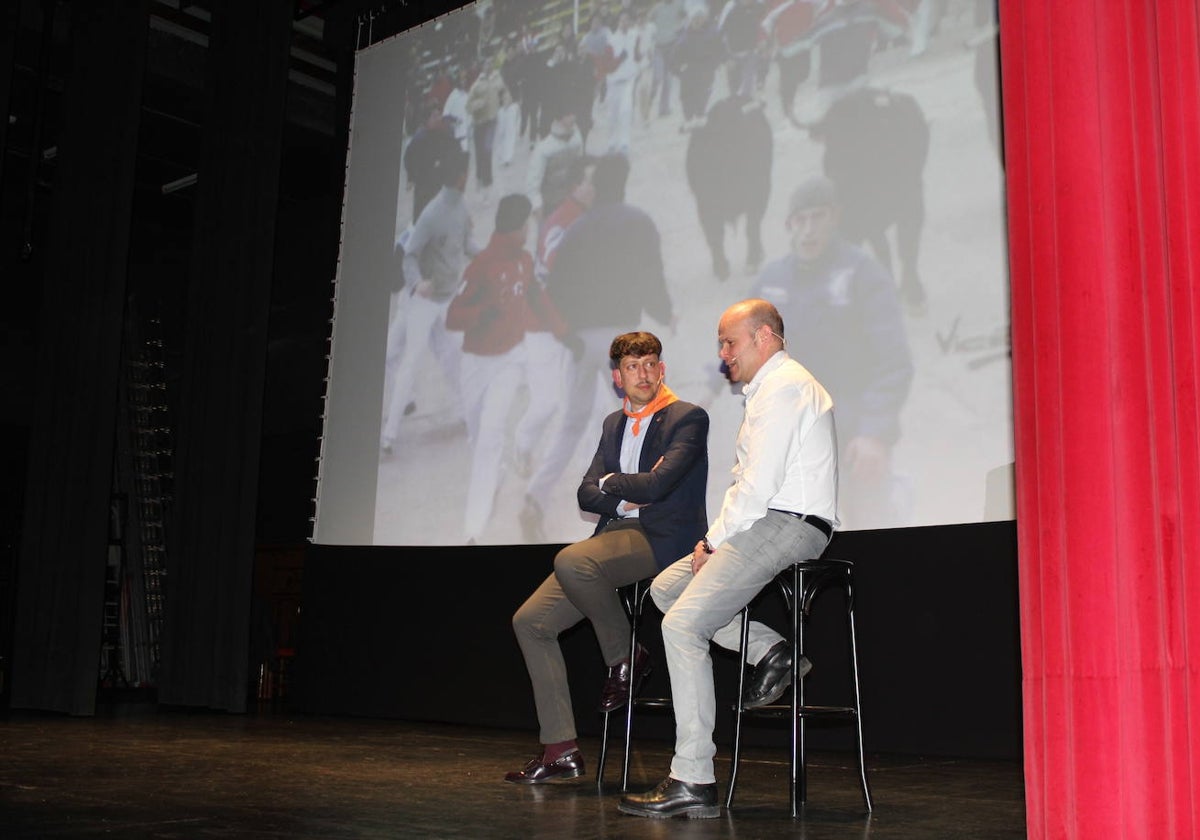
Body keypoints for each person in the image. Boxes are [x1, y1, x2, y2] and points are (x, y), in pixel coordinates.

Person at [618, 299, 837, 819]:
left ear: (763, 337)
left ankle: (692, 778)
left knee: (682, 628)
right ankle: (772, 651)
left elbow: (757, 488)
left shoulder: (785, 387)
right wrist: (713, 542)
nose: (722, 354)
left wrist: (713, 541)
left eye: (729, 342)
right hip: (768, 521)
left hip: (788, 523)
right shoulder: (770, 389)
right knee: (666, 590)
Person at [507, 331, 709, 784]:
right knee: (531, 623)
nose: (644, 373)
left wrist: (612, 483)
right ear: (618, 377)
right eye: (634, 367)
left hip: (664, 538)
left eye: (651, 364)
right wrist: (622, 495)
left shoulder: (687, 418)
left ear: (662, 369)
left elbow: (659, 487)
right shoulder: (612, 425)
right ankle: (559, 749)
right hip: (618, 532)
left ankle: (625, 657)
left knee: (574, 559)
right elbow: (585, 492)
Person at [522, 153, 674, 535]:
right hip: (622, 340)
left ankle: (535, 495)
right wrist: (666, 312)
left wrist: (567, 335)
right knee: (639, 420)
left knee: (572, 422)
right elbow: (651, 276)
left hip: (581, 339)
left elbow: (554, 288)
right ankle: (646, 503)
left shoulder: (578, 228)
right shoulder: (639, 222)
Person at [752, 176, 912, 528]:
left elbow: (894, 361)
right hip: (792, 431)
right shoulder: (770, 280)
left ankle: (893, 502)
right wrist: (710, 381)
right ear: (789, 225)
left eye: (818, 217)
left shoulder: (863, 272)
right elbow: (744, 349)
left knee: (869, 528)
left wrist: (874, 432)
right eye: (801, 219)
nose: (809, 230)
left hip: (852, 424)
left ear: (835, 217)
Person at [445, 194, 567, 543]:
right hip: (477, 364)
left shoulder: (525, 262)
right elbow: (453, 315)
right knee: (477, 433)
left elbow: (536, 299)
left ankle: (474, 528)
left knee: (490, 435)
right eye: (526, 223)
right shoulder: (481, 265)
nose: (529, 229)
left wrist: (562, 331)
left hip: (511, 360)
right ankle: (493, 473)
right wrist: (482, 312)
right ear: (516, 227)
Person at [380, 148, 475, 453]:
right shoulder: (432, 213)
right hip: (422, 303)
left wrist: (489, 254)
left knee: (452, 356)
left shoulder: (461, 207)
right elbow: (410, 256)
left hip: (446, 300)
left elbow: (466, 243)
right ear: (462, 176)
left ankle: (466, 412)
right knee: (411, 362)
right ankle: (388, 437)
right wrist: (417, 282)